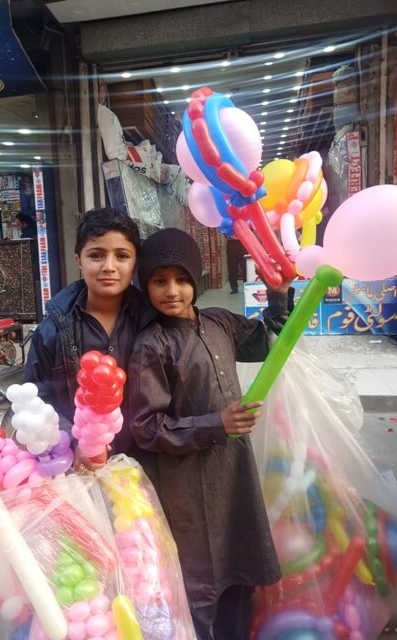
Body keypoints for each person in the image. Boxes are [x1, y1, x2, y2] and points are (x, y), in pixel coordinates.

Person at [128, 228, 293, 640]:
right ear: (145, 284)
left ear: (196, 281)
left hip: (233, 475)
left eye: (181, 279)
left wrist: (280, 294)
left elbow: (267, 341)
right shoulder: (152, 345)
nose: (172, 291)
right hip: (186, 488)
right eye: (159, 281)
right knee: (199, 589)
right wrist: (217, 424)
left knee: (240, 575)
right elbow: (146, 428)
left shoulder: (218, 321)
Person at [25, 206, 154, 454]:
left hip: (146, 460)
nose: (109, 266)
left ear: (135, 262)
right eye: (96, 255)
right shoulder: (54, 327)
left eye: (122, 256)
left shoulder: (152, 320)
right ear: (79, 261)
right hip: (78, 465)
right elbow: (38, 399)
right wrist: (74, 444)